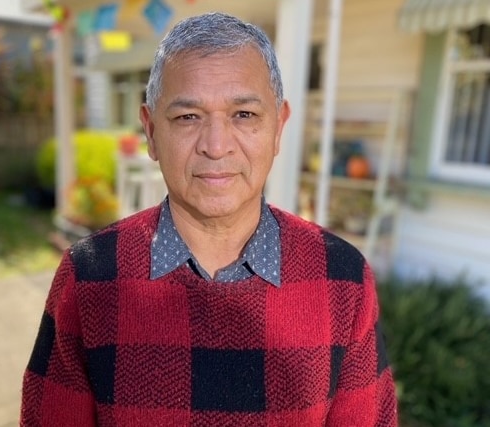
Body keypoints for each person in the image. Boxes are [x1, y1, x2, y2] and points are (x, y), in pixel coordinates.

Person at [20, 12, 397, 427]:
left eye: (244, 115)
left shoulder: (342, 280)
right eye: (188, 118)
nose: (216, 147)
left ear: (278, 127)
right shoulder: (88, 278)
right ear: (150, 131)